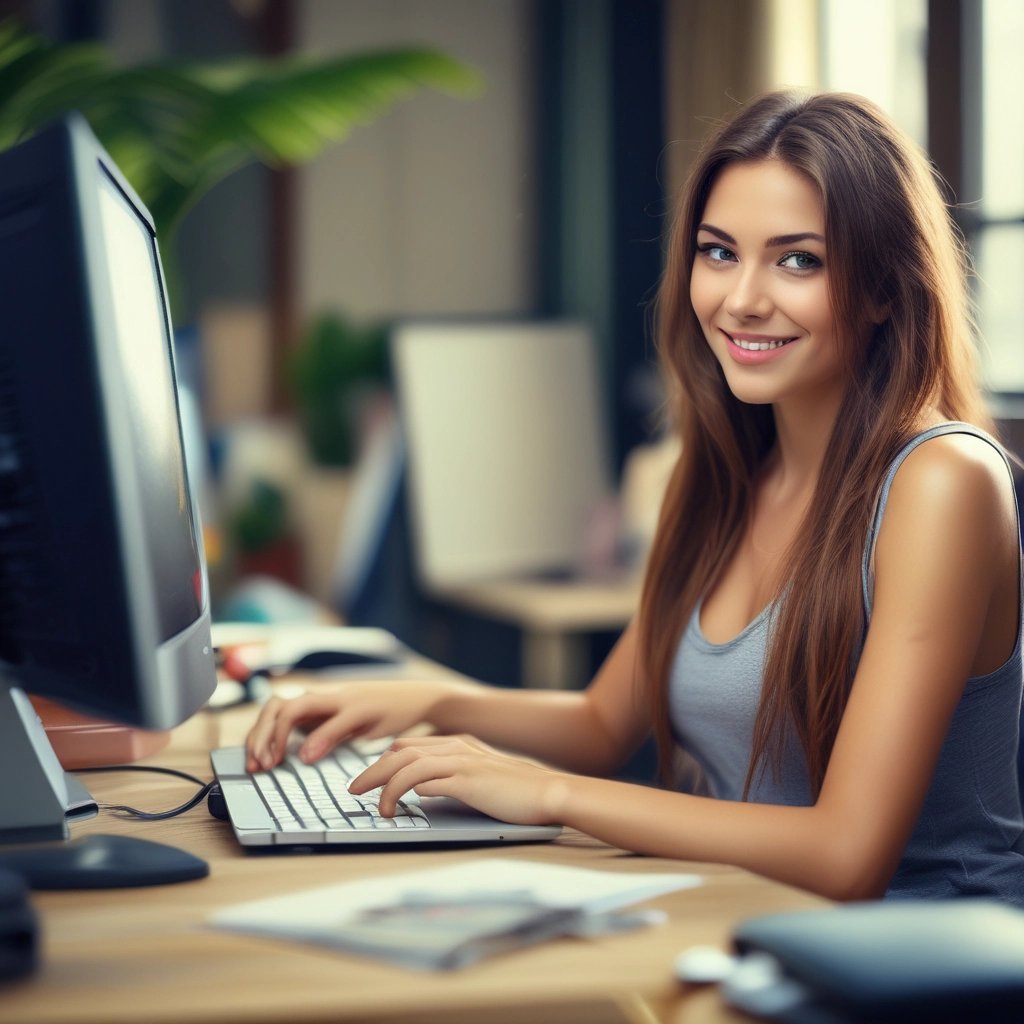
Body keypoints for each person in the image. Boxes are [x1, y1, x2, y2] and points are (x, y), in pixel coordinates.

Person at [246, 91, 1024, 903]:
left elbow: (846, 853)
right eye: (719, 252)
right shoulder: (724, 468)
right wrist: (428, 701)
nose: (742, 298)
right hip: (746, 921)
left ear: (885, 291)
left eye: (799, 260)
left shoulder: (943, 483)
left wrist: (548, 794)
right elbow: (602, 722)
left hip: (917, 963)